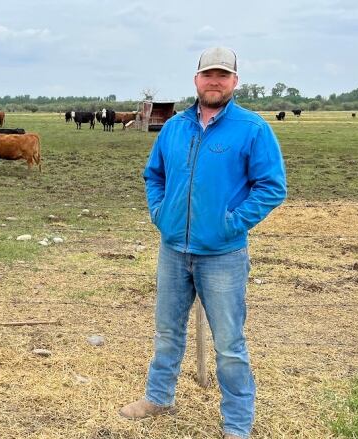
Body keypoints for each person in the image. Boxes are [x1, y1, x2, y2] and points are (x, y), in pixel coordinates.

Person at [119, 47, 287, 439]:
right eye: (208, 75)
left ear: (235, 82)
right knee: (166, 331)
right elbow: (153, 175)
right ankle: (158, 397)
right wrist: (160, 213)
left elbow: (271, 187)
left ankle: (237, 423)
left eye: (223, 75)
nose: (215, 81)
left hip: (223, 255)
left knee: (229, 343)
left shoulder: (252, 129)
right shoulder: (175, 127)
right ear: (196, 80)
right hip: (174, 249)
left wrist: (233, 223)